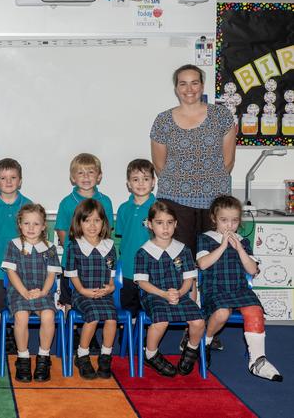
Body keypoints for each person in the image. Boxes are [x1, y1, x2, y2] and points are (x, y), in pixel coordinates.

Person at [150, 64, 237, 351]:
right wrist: (184, 186)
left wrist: (208, 186)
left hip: (215, 202)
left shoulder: (222, 116)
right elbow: (159, 165)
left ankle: (210, 323)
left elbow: (228, 161)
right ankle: (192, 322)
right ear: (176, 88)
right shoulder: (163, 121)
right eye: (183, 84)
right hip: (177, 201)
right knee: (184, 265)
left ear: (202, 85)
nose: (189, 89)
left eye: (195, 83)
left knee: (214, 263)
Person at [196, 195, 282, 382]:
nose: (229, 226)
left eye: (234, 221)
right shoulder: (205, 239)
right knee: (222, 313)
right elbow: (202, 264)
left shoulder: (243, 241)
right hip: (215, 288)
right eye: (224, 220)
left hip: (239, 289)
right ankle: (206, 342)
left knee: (255, 310)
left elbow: (252, 269)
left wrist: (239, 249)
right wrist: (223, 245)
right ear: (214, 219)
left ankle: (257, 360)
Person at [134, 201, 205, 377]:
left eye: (169, 222)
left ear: (175, 224)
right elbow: (142, 283)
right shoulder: (143, 252)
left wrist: (180, 292)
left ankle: (191, 349)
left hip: (180, 294)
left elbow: (189, 279)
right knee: (161, 321)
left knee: (199, 322)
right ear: (150, 225)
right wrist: (164, 294)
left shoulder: (184, 250)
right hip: (154, 295)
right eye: (159, 223)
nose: (165, 228)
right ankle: (150, 354)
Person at [55, 153, 113, 351]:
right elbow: (62, 230)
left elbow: (107, 232)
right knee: (70, 299)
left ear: (99, 176)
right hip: (72, 261)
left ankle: (91, 335)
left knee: (97, 295)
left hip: (97, 263)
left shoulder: (105, 201)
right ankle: (74, 332)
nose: (86, 177)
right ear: (73, 177)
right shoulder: (66, 202)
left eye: (91, 172)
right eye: (80, 173)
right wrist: (74, 251)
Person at [2, 203, 61, 383]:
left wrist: (43, 292)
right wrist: (25, 292)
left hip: (42, 293)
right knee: (21, 317)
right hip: (19, 292)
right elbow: (11, 272)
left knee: (48, 316)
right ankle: (23, 358)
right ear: (20, 224)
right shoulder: (13, 245)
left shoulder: (49, 248)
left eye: (36, 224)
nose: (31, 228)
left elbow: (52, 273)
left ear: (44, 226)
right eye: (26, 223)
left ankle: (43, 358)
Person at [65, 199, 117, 380]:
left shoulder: (109, 246)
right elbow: (71, 274)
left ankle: (105, 355)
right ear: (79, 223)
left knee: (112, 318)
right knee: (93, 316)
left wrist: (110, 287)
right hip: (82, 294)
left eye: (97, 220)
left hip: (103, 294)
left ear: (104, 222)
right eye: (87, 220)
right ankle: (82, 355)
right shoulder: (74, 246)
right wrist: (82, 291)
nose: (92, 225)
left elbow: (112, 271)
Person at [0, 158, 32, 354]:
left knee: (20, 303)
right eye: (3, 178)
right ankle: (2, 336)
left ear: (20, 180)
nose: (9, 182)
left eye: (13, 177)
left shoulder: (28, 205)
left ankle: (15, 335)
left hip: (23, 268)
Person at [115, 159, 156, 316]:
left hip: (151, 271)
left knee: (149, 311)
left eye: (146, 179)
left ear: (153, 182)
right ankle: (127, 338)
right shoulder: (123, 209)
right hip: (128, 270)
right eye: (135, 179)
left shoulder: (158, 207)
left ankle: (144, 339)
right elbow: (121, 238)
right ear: (128, 184)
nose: (141, 183)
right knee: (128, 311)